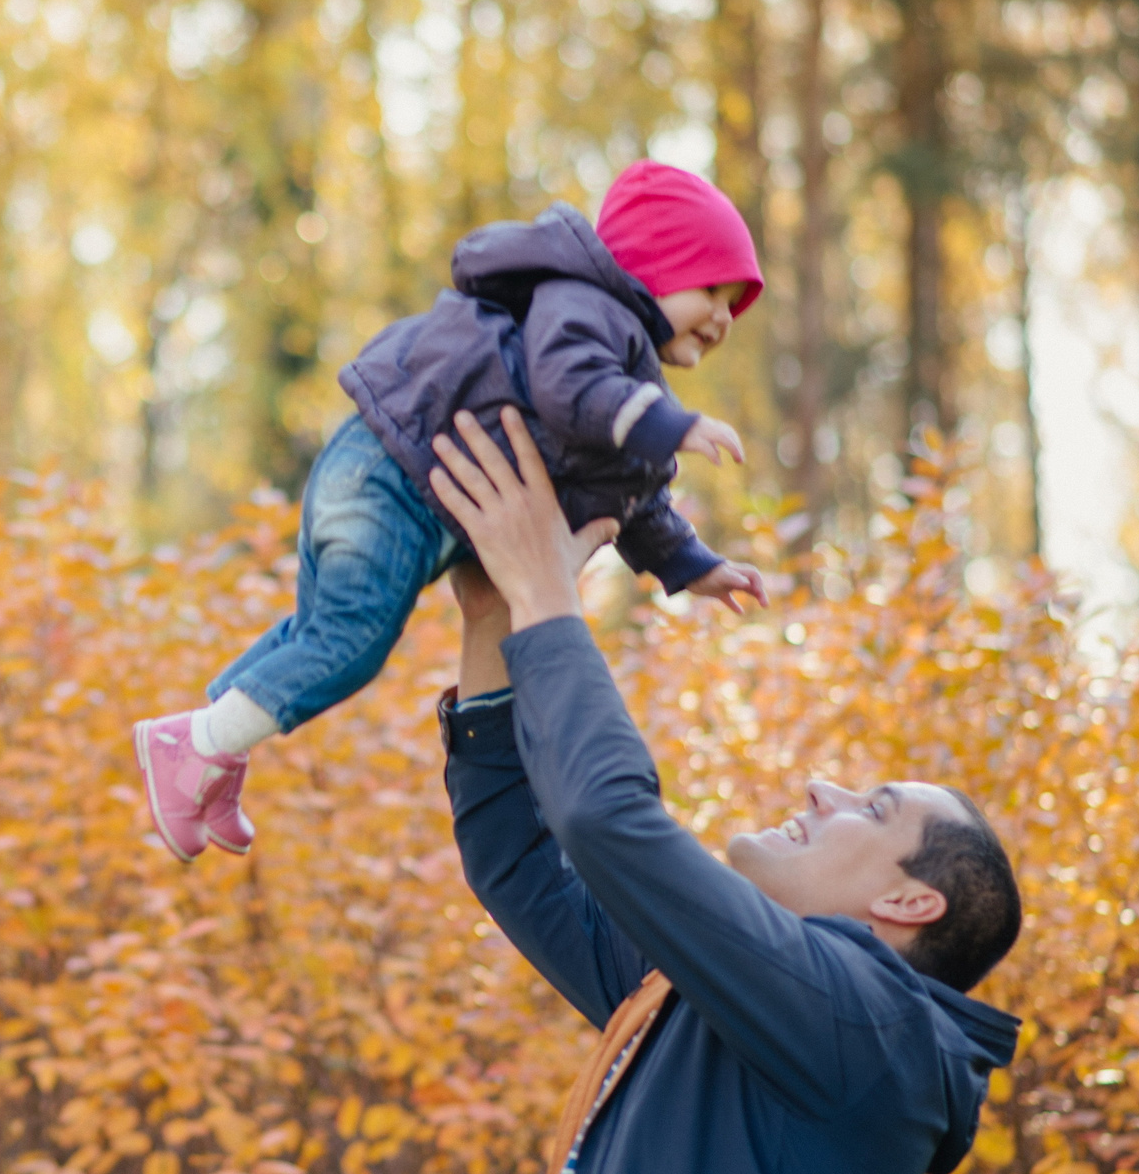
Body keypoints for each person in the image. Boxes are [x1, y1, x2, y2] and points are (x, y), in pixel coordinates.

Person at [425, 408, 1023, 1174]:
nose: (821, 793)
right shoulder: (714, 1000)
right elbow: (522, 862)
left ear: (908, 902)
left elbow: (608, 819)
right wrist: (495, 622)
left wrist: (554, 601)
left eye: (872, 808)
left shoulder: (872, 1030)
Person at [133, 160, 770, 863]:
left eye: (734, 302)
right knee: (351, 642)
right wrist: (670, 424)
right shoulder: (589, 309)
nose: (722, 317)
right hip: (390, 478)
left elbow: (637, 497)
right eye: (711, 289)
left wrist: (696, 566)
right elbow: (570, 387)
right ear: (650, 264)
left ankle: (210, 753)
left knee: (320, 631)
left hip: (387, 479)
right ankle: (196, 745)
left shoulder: (626, 378)